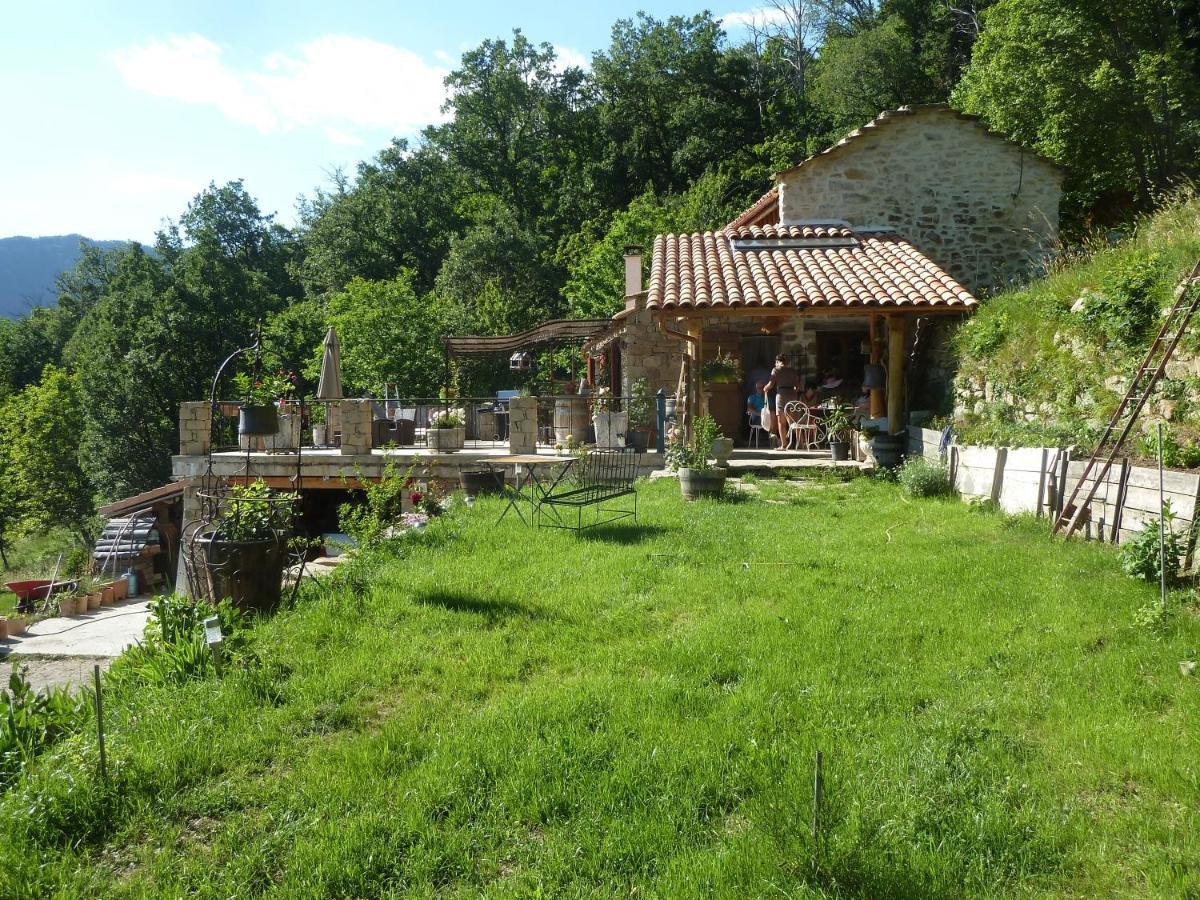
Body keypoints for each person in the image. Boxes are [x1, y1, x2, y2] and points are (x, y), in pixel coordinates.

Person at [764, 353, 800, 449]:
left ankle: (783, 444)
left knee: (781, 422)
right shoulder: (792, 371)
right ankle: (801, 442)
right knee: (793, 421)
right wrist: (793, 392)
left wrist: (765, 388)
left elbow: (771, 384)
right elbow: (797, 386)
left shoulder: (775, 370)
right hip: (792, 395)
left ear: (777, 361)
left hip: (781, 395)